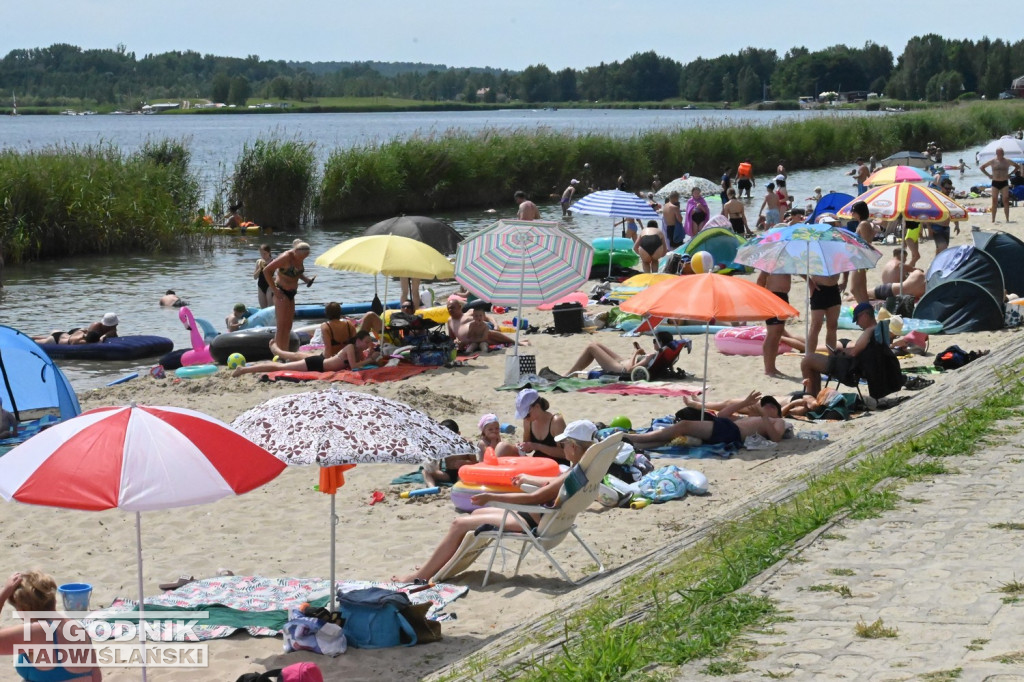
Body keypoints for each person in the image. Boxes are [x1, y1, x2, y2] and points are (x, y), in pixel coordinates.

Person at [396, 420, 599, 583]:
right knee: (475, 516)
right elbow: (551, 483)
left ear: (573, 446)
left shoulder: (571, 474)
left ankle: (420, 575)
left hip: (530, 520)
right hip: (549, 519)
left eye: (563, 445)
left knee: (460, 523)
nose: (561, 448)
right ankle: (436, 564)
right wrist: (528, 478)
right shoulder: (582, 470)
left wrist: (492, 497)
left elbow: (534, 497)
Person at [0, 571, 101, 680]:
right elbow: (96, 677)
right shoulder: (79, 628)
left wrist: (4, 593)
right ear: (53, 600)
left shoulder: (36, 631)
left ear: (22, 610)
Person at [624, 392, 787, 449]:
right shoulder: (753, 419)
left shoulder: (778, 421)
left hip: (731, 432)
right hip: (726, 427)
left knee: (683, 425)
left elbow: (776, 438)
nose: (765, 407)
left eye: (770, 406)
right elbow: (722, 415)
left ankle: (634, 438)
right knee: (680, 432)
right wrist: (745, 403)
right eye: (764, 405)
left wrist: (764, 416)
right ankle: (639, 445)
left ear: (776, 411)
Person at [800, 302, 875, 396]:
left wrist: (841, 352)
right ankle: (815, 396)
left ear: (864, 316)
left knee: (807, 361)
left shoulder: (869, 332)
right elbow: (860, 352)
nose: (857, 323)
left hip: (850, 370)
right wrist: (844, 351)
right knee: (812, 362)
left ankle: (810, 397)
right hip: (857, 368)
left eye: (857, 319)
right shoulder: (878, 330)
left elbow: (854, 353)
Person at [233, 330, 381, 377]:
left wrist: (371, 357)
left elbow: (360, 365)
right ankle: (244, 369)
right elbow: (355, 367)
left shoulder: (358, 351)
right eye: (366, 341)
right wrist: (369, 361)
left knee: (290, 360)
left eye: (370, 342)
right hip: (316, 364)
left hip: (322, 363)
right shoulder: (350, 347)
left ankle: (277, 351)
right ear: (358, 341)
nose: (369, 344)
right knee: (279, 367)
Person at [262, 242, 312, 352]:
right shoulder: (286, 257)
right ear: (296, 252)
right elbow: (266, 271)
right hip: (282, 291)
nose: (303, 259)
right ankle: (279, 352)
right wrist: (275, 290)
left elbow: (296, 272)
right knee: (281, 325)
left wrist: (306, 280)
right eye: (302, 257)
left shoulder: (300, 257)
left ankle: (285, 351)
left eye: (305, 257)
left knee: (288, 325)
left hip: (292, 293)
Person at [270, 302, 360, 362]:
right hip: (348, 357)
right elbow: (356, 345)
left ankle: (277, 350)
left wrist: (326, 362)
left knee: (298, 355)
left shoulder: (326, 326)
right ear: (340, 312)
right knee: (303, 355)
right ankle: (279, 352)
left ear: (327, 313)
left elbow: (328, 349)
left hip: (332, 359)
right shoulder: (349, 324)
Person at [566, 331, 680, 377]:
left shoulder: (652, 357)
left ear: (659, 343)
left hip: (620, 368)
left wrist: (635, 353)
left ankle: (571, 372)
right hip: (622, 362)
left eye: (654, 341)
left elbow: (631, 370)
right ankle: (574, 372)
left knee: (591, 347)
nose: (653, 342)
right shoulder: (659, 356)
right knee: (596, 344)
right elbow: (645, 363)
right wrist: (641, 352)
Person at [514, 388, 567, 464]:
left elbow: (564, 453)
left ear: (537, 407)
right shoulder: (527, 422)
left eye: (527, 415)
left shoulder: (556, 422)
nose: (525, 418)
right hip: (539, 464)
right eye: (523, 415)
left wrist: (537, 446)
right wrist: (523, 447)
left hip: (558, 465)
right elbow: (529, 448)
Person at [758, 271, 793, 377]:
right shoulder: (770, 263)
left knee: (777, 333)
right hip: (772, 296)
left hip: (783, 297)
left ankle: (772, 366)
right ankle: (768, 368)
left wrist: (808, 280)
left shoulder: (787, 263)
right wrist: (764, 298)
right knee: (772, 333)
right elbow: (760, 280)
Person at [980, 147, 1021, 224]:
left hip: (1004, 182)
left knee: (1005, 200)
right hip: (995, 182)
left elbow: (1017, 166)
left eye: (1001, 152)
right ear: (996, 153)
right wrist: (989, 175)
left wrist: (1010, 174)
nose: (1000, 154)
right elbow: (982, 167)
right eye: (998, 152)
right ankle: (993, 219)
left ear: (1003, 153)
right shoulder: (993, 161)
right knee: (994, 201)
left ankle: (1007, 219)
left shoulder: (1007, 161)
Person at [806, 273, 842, 357]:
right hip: (818, 288)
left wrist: (845, 279)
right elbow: (800, 265)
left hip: (834, 289)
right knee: (816, 325)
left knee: (833, 325)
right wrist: (809, 282)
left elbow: (844, 263)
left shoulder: (836, 258)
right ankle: (809, 355)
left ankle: (832, 355)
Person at [847, 202, 876, 304]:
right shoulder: (862, 223)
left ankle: (864, 309)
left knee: (855, 289)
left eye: (853, 211)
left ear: (859, 212)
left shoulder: (864, 224)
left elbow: (866, 243)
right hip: (859, 257)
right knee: (860, 288)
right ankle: (865, 310)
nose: (851, 213)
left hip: (861, 258)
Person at [253, 244, 274, 309]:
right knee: (263, 308)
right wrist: (260, 268)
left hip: (270, 285)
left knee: (270, 307)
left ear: (269, 252)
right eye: (261, 254)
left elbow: (277, 276)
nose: (263, 256)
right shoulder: (258, 262)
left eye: (265, 253)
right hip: (261, 286)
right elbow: (255, 277)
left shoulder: (274, 262)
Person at [32, 329, 99, 346]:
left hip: (60, 333)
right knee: (35, 342)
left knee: (45, 338)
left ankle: (28, 337)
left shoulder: (81, 332)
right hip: (55, 341)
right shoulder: (81, 341)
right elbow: (73, 343)